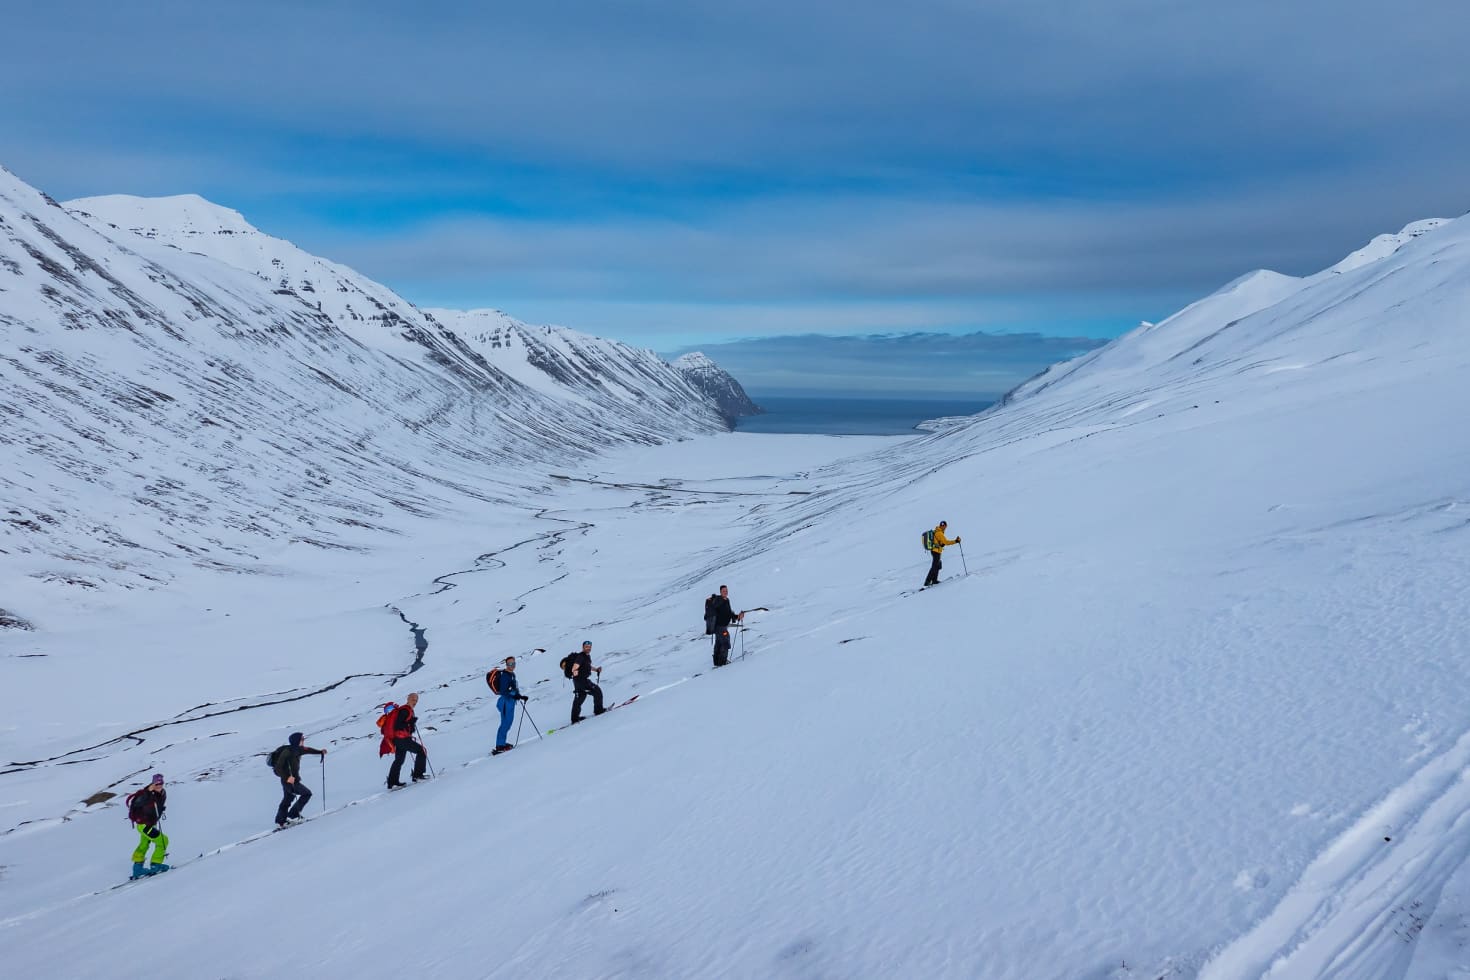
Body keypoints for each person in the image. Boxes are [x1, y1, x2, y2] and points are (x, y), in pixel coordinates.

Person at [272, 732, 327, 829]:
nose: (303, 740)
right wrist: (287, 777)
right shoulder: (287, 752)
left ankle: (281, 821)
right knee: (306, 793)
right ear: (296, 740)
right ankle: (293, 816)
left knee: (287, 800)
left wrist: (320, 752)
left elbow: (308, 750)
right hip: (288, 781)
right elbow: (278, 768)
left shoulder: (298, 749)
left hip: (293, 780)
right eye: (302, 739)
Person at [126, 773, 169, 879]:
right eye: (157, 783)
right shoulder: (146, 793)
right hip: (144, 825)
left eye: (161, 783)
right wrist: (147, 792)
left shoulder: (162, 793)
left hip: (148, 824)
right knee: (163, 840)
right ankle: (156, 864)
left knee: (144, 844)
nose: (159, 785)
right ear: (153, 783)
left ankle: (138, 868)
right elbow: (136, 803)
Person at [383, 692, 428, 788]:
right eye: (413, 699)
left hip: (398, 739)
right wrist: (410, 722)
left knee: (399, 760)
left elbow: (405, 726)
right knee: (421, 751)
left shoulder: (407, 710)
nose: (415, 701)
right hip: (401, 738)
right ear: (408, 699)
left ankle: (392, 782)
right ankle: (418, 775)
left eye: (416, 700)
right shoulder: (405, 710)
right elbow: (398, 725)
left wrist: (411, 725)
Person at [493, 656, 528, 754]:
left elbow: (513, 689)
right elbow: (504, 691)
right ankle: (500, 746)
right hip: (505, 702)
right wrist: (514, 697)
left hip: (510, 702)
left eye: (514, 663)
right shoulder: (505, 675)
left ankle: (502, 743)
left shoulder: (512, 674)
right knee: (505, 723)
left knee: (508, 723)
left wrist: (520, 697)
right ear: (506, 665)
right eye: (510, 664)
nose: (512, 665)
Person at [567, 640, 605, 724]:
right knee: (597, 692)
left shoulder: (587, 656)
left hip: (578, 681)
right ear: (583, 647)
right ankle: (598, 711)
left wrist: (596, 669)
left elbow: (587, 666)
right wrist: (574, 671)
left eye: (589, 647)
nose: (588, 648)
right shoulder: (581, 656)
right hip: (582, 681)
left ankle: (575, 718)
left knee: (580, 697)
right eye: (586, 647)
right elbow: (575, 667)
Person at [709, 584, 744, 667]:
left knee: (719, 643)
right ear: (720, 592)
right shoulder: (719, 601)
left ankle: (717, 662)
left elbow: (729, 613)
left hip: (720, 627)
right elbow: (721, 612)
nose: (726, 592)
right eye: (724, 591)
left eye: (726, 590)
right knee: (725, 642)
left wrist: (737, 616)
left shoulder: (726, 600)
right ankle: (722, 662)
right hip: (720, 627)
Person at [923, 520, 961, 587]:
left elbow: (940, 542)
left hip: (936, 551)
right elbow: (946, 542)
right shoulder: (939, 533)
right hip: (936, 551)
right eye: (944, 526)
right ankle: (927, 582)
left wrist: (941, 544)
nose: (944, 527)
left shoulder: (937, 531)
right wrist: (956, 541)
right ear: (943, 526)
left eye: (945, 526)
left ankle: (934, 580)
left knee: (937, 565)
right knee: (934, 566)